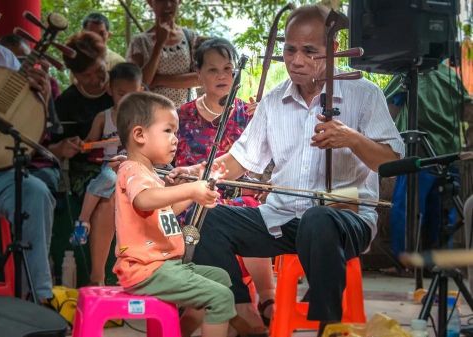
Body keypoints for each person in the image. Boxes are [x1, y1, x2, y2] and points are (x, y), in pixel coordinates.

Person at [168, 5, 405, 335]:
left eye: (310, 51)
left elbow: (390, 161)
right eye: (290, 49)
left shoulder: (364, 94)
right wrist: (194, 172)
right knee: (210, 217)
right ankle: (242, 309)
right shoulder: (274, 100)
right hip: (282, 219)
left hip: (344, 219)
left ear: (334, 51)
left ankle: (328, 323)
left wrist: (350, 138)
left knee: (318, 218)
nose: (296, 60)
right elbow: (238, 160)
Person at [0, 0, 80, 300]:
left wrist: (42, 97)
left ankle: (37, 299)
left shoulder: (5, 58)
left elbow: (29, 127)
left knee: (34, 192)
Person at [114, 91, 235, 337]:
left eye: (176, 132)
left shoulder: (149, 173)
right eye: (168, 131)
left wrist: (196, 190)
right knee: (221, 297)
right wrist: (190, 188)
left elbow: (165, 211)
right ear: (139, 135)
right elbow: (144, 200)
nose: (175, 139)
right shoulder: (133, 170)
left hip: (166, 266)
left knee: (221, 277)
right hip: (147, 270)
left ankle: (178, 331)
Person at [175, 37, 274, 329]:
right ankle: (222, 306)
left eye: (228, 69)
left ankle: (267, 296)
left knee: (248, 210)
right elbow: (170, 162)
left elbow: (265, 165)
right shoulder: (181, 115)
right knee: (204, 215)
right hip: (194, 200)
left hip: (238, 197)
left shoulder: (249, 113)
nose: (222, 76)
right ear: (199, 75)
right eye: (212, 70)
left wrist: (267, 121)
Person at [384, 61, 471, 261]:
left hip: (419, 155)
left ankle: (403, 262)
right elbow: (468, 110)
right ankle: (436, 264)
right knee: (442, 212)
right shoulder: (450, 77)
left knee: (406, 209)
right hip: (448, 156)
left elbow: (388, 112)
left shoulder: (406, 74)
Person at [71, 62, 143, 285]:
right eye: (121, 93)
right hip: (110, 166)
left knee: (115, 180)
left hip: (133, 168)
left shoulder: (142, 117)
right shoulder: (104, 117)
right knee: (106, 180)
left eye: (132, 93)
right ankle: (83, 222)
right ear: (110, 90)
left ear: (140, 91)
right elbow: (91, 142)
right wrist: (83, 145)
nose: (126, 99)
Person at [55, 31, 116, 285]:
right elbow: (51, 146)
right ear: (74, 76)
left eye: (98, 71)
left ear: (105, 60)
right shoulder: (66, 102)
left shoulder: (119, 89)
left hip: (123, 161)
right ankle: (97, 280)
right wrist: (64, 147)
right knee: (106, 194)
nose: (95, 80)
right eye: (85, 76)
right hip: (85, 169)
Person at [127, 0, 199, 107]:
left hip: (187, 114)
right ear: (150, 3)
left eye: (172, 1)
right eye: (161, 1)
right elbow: (139, 84)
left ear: (179, 2)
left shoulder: (191, 38)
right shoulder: (140, 42)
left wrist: (158, 80)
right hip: (152, 113)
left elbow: (200, 78)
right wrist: (159, 44)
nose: (168, 5)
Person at [68, 12, 125, 86]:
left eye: (101, 34)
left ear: (109, 35)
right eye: (91, 33)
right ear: (83, 34)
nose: (96, 38)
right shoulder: (77, 60)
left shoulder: (119, 62)